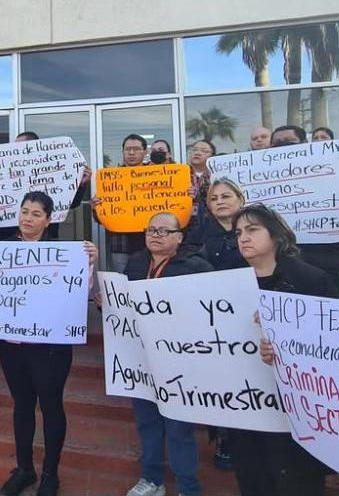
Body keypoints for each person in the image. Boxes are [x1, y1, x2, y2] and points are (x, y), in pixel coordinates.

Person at [0, 192, 98, 496]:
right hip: (13, 346)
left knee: (51, 406)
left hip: (51, 348)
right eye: (24, 211)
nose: (28, 218)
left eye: (36, 214)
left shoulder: (64, 252)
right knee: (22, 405)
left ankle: (50, 473)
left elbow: (79, 292)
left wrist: (90, 262)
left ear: (48, 220)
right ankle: (24, 468)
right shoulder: (0, 251)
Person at [232, 204, 331, 496]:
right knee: (253, 479)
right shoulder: (228, 283)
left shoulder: (311, 280)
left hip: (297, 411)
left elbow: (335, 344)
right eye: (238, 232)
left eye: (252, 230)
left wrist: (287, 332)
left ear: (276, 235)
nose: (243, 238)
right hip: (245, 406)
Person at [112, 211, 213, 496]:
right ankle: (152, 480)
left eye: (163, 231)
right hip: (141, 359)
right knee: (147, 422)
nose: (155, 235)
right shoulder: (135, 262)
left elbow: (211, 312)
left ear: (179, 238)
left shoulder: (197, 268)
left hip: (180, 360)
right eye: (150, 230)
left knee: (179, 428)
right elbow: (121, 304)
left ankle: (188, 488)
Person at [270, 125, 339, 297]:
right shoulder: (264, 179)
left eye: (289, 142)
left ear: (306, 143)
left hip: (325, 257)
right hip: (281, 259)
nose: (283, 148)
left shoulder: (334, 171)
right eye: (277, 144)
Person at [93, 134, 149, 271]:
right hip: (121, 245)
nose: (131, 153)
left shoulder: (157, 176)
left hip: (149, 244)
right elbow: (100, 219)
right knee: (122, 285)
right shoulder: (111, 180)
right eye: (127, 149)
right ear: (123, 152)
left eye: (136, 149)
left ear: (145, 152)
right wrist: (96, 208)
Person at [184, 178, 247, 271]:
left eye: (225, 196)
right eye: (214, 199)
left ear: (241, 200)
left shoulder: (256, 226)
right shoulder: (198, 232)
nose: (220, 202)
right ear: (209, 205)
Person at [186, 140, 216, 231]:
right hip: (186, 222)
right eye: (194, 150)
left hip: (212, 222)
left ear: (212, 156)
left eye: (204, 151)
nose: (198, 153)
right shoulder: (180, 175)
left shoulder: (216, 176)